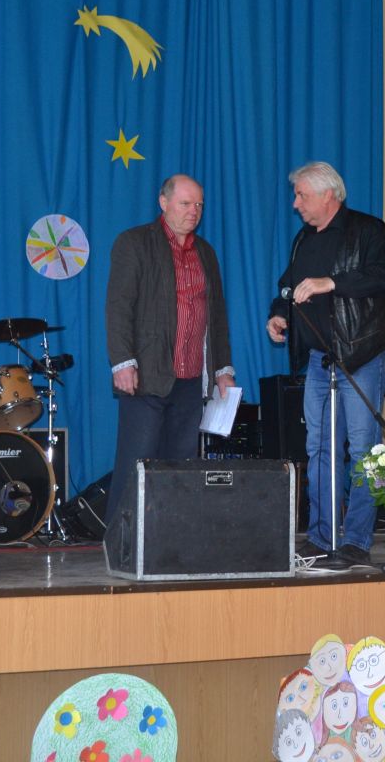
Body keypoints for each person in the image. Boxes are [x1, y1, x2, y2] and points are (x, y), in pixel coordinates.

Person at [267, 162, 385, 565]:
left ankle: (356, 539)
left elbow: (382, 277)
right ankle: (323, 536)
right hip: (320, 359)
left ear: (328, 195)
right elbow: (287, 286)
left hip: (360, 354)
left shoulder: (368, 230)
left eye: (302, 195)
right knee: (319, 447)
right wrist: (279, 313)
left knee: (363, 448)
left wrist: (332, 282)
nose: (296, 203)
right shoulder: (304, 238)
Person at [104, 174, 235, 525]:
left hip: (191, 379)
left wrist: (223, 369)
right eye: (186, 203)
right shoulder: (134, 242)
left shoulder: (206, 252)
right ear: (163, 203)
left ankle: (172, 539)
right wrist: (122, 361)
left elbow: (217, 316)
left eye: (199, 205)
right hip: (147, 375)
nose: (194, 211)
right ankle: (121, 540)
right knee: (136, 462)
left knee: (180, 466)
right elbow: (118, 307)